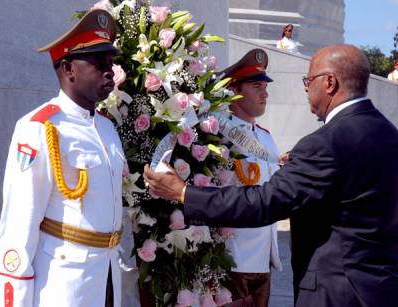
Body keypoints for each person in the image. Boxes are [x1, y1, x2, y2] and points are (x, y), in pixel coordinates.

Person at [143, 44, 398, 307]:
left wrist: (184, 193)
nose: (305, 88)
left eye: (308, 80)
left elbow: (266, 201)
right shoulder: (390, 134)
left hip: (337, 293)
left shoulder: (325, 143)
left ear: (330, 82)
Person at [0, 9, 126, 307]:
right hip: (64, 284)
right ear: (68, 69)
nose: (110, 71)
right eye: (98, 63)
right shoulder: (40, 128)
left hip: (106, 276)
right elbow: (19, 221)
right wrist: (13, 298)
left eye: (110, 62)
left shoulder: (106, 127)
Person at [215, 49, 282, 307]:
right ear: (233, 89)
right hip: (233, 260)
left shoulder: (266, 138)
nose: (264, 93)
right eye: (256, 86)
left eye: (265, 86)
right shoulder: (219, 134)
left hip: (262, 261)